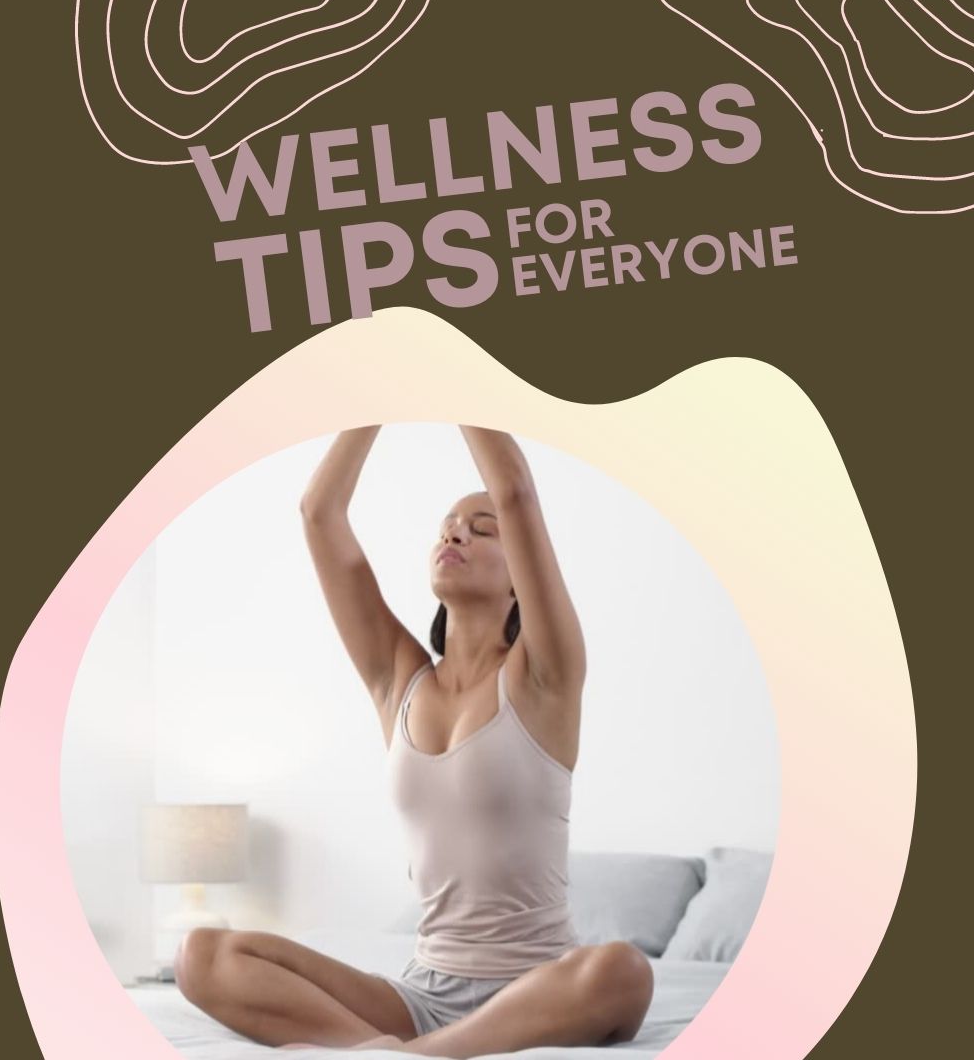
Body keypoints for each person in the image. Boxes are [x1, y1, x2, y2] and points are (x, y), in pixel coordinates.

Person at [173, 425, 654, 1057]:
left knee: (623, 971)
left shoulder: (545, 675)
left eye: (481, 529)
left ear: (521, 581)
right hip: (420, 998)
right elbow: (320, 515)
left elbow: (515, 492)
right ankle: (396, 1052)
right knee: (201, 954)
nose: (454, 532)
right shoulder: (396, 680)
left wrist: (447, 371)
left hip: (539, 987)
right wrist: (374, 402)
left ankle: (405, 1055)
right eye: (448, 525)